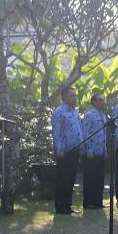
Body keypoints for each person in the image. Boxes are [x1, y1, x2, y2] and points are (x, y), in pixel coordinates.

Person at [51, 86, 83, 215]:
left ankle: (68, 205)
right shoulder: (59, 111)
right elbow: (56, 131)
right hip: (64, 151)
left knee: (71, 179)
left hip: (75, 150)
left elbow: (79, 130)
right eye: (72, 95)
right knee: (63, 179)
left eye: (75, 95)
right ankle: (60, 207)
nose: (74, 97)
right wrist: (59, 149)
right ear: (64, 97)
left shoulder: (75, 112)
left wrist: (81, 146)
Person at [81, 93, 108, 209]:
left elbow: (104, 135)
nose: (103, 102)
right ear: (94, 102)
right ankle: (89, 202)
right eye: (100, 100)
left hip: (101, 151)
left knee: (99, 178)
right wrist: (88, 150)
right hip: (91, 152)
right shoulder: (89, 115)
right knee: (90, 178)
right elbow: (85, 133)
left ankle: (98, 201)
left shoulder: (103, 116)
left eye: (103, 100)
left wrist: (105, 150)